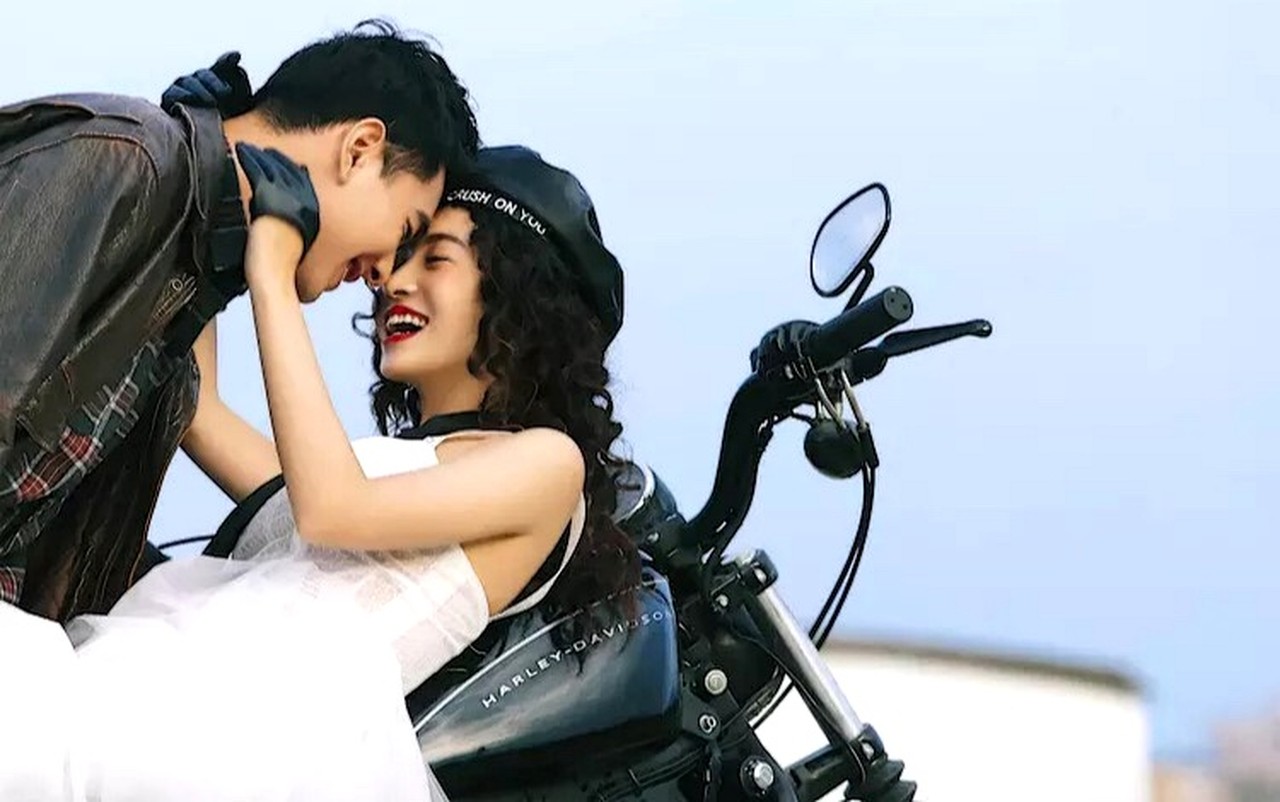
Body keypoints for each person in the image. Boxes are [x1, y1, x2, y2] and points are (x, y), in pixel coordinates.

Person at [0, 144, 640, 801]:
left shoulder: (547, 464)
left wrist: (274, 273)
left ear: (520, 298)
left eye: (436, 258)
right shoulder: (369, 472)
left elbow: (334, 509)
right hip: (184, 699)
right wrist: (213, 168)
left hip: (255, 739)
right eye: (400, 257)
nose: (394, 282)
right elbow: (202, 409)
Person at [0, 19, 479, 621]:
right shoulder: (128, 162)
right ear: (359, 150)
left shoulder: (182, 289)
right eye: (405, 231)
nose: (383, 272)